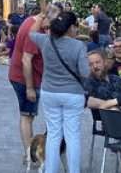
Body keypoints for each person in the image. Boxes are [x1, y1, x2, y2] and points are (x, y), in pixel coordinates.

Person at [29, 10, 89, 173]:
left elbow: (31, 32)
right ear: (70, 27)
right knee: (72, 136)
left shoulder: (46, 41)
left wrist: (42, 16)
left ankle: (50, 170)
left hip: (49, 92)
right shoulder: (78, 46)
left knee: (54, 135)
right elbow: (85, 73)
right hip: (73, 94)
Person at [10, 3, 46, 168]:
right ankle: (29, 156)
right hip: (26, 79)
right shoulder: (34, 31)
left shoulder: (31, 21)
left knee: (27, 116)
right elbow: (26, 60)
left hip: (22, 77)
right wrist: (30, 88)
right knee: (27, 117)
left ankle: (28, 154)